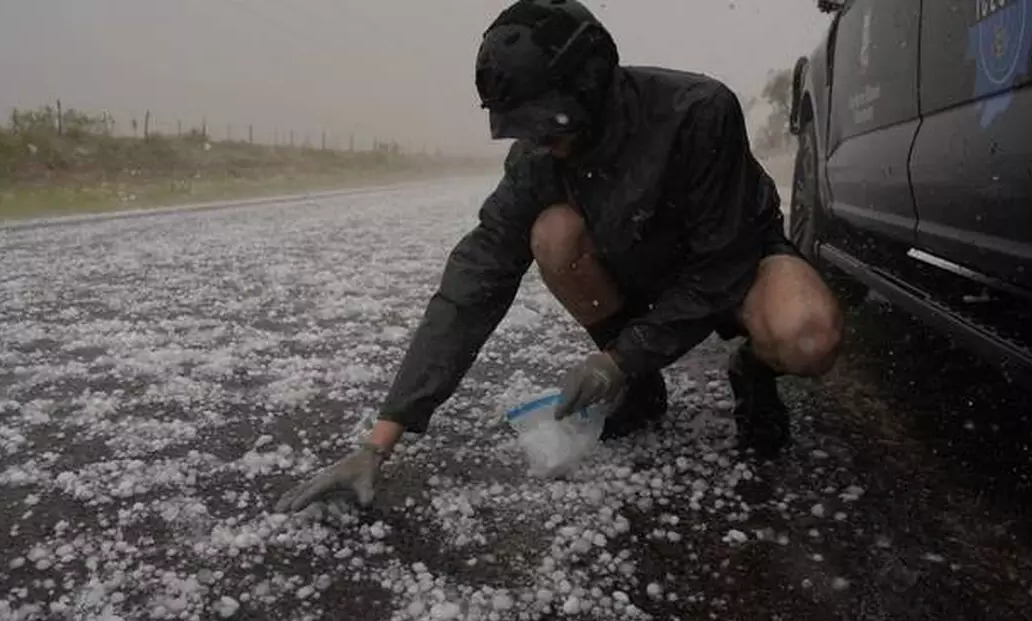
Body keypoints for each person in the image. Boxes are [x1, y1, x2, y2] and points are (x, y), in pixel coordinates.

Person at [278, 0, 843, 512]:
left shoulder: (700, 111)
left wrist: (616, 359)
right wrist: (380, 438)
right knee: (553, 233)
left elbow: (720, 266)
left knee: (808, 334)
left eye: (547, 126)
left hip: (737, 267)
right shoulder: (538, 160)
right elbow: (474, 280)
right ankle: (640, 389)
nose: (539, 143)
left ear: (590, 86)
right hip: (641, 269)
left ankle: (754, 368)